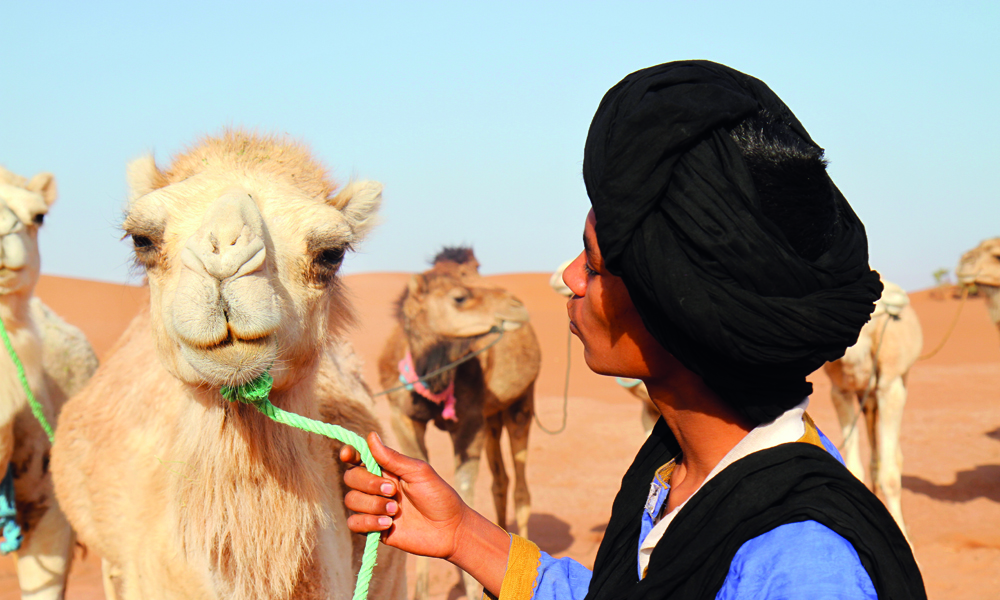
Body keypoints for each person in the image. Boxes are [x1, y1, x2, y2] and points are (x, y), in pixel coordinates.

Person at [341, 61, 925, 600]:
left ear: (676, 305)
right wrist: (462, 533)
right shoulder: (676, 471)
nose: (569, 277)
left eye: (594, 265)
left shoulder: (802, 564)